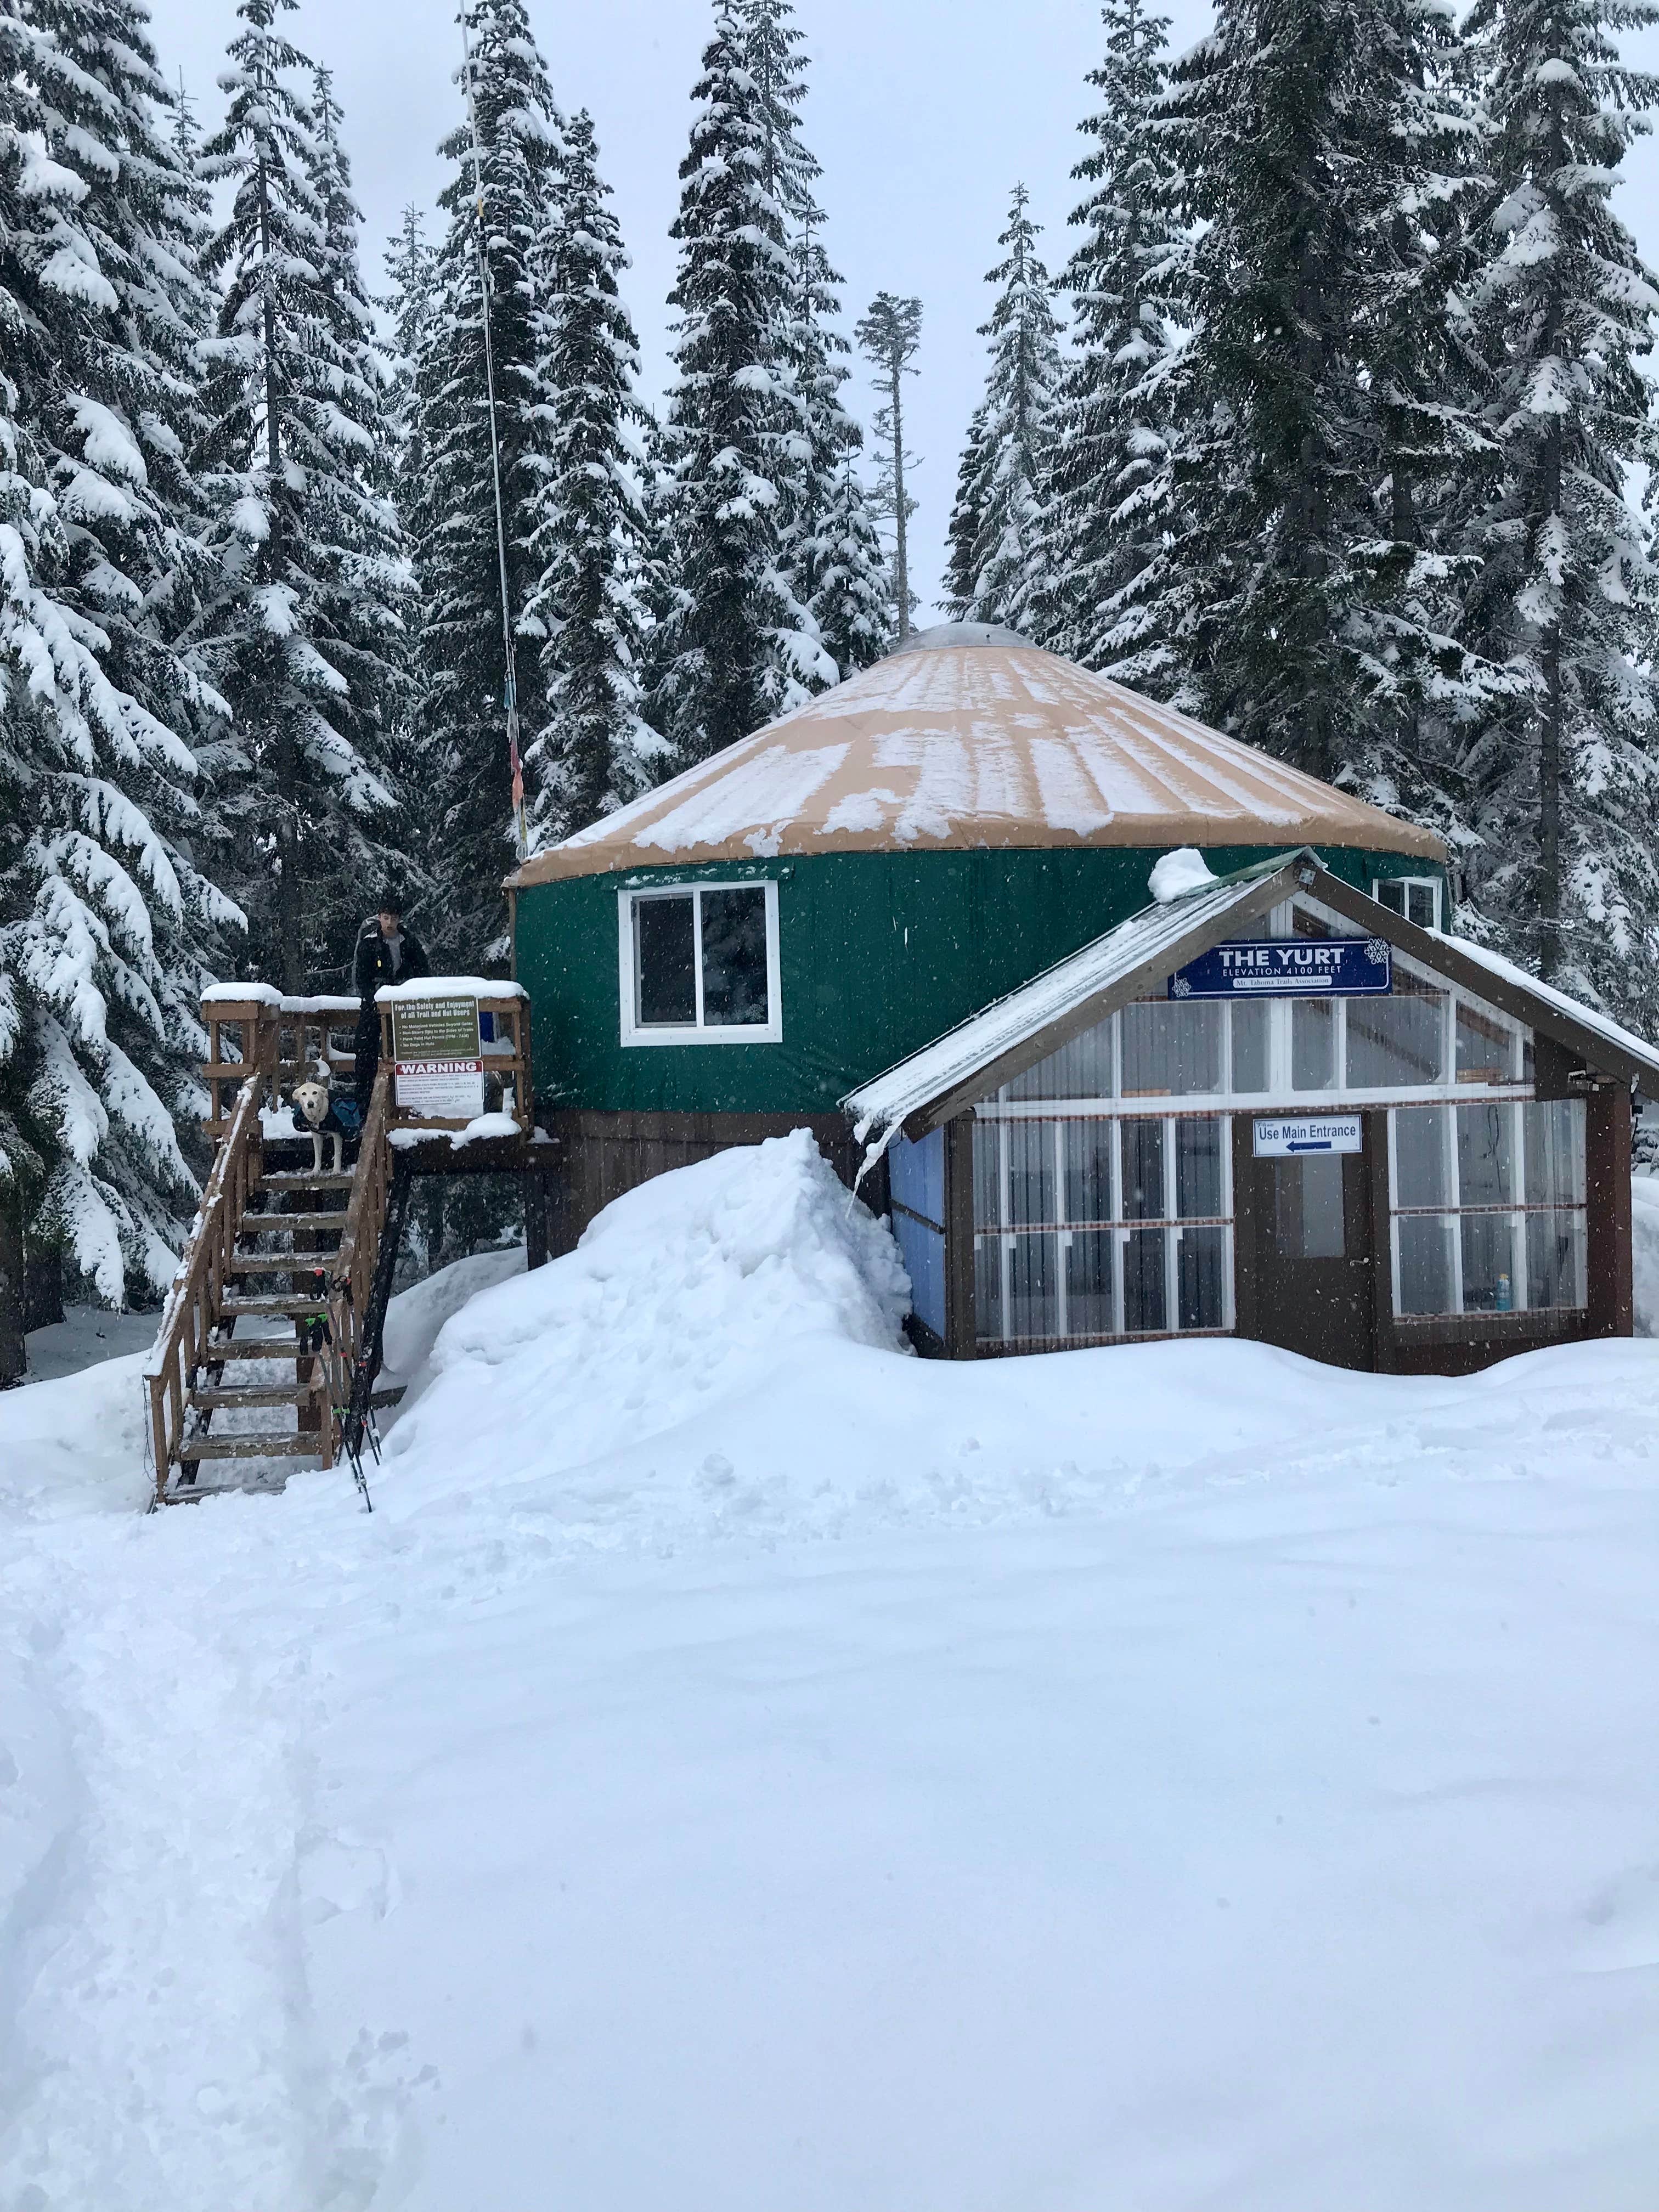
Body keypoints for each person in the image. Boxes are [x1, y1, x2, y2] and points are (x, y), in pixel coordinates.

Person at [353, 893, 429, 1113]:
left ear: (399, 919)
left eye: (393, 918)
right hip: (375, 1002)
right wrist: (373, 999)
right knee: (366, 1049)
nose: (389, 922)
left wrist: (413, 991)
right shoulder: (369, 943)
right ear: (379, 917)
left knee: (406, 1049)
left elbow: (423, 970)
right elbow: (362, 978)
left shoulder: (409, 942)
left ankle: (407, 1099)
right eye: (385, 917)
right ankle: (364, 1100)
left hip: (403, 1001)